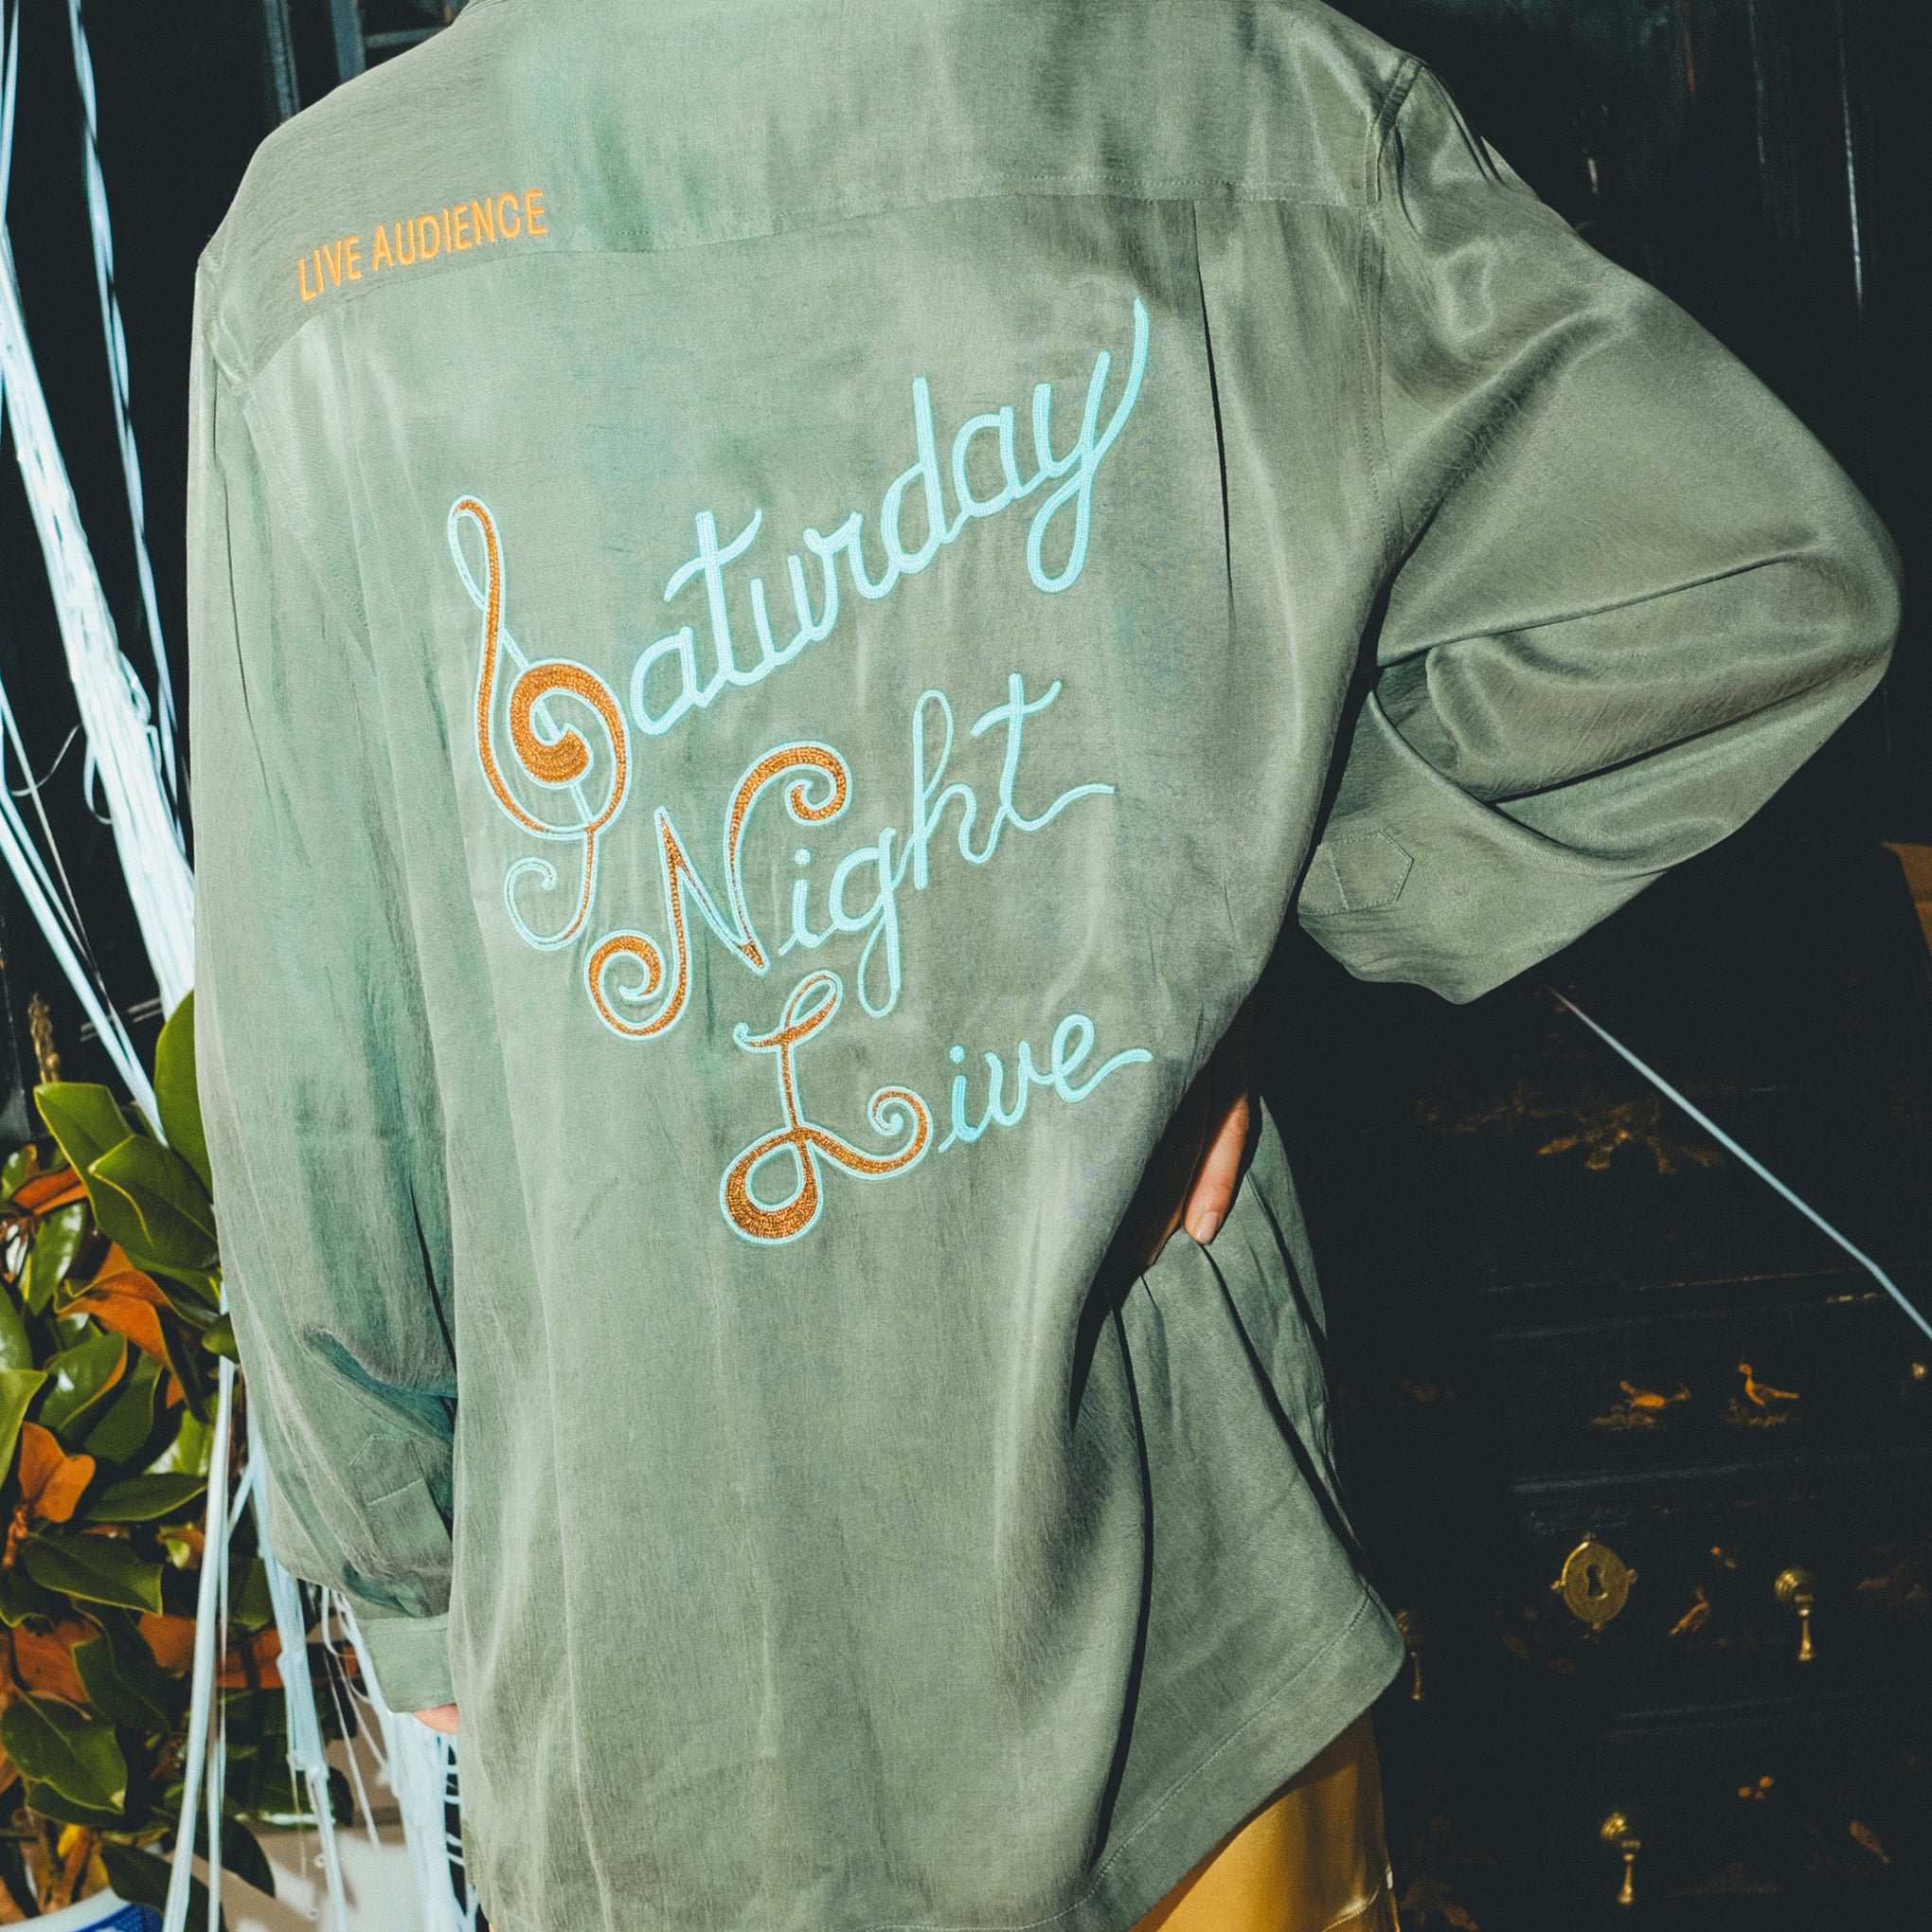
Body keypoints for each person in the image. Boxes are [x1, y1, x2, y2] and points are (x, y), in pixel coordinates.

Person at [186, 3, 1898, 1927]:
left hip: (659, 1677)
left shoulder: (324, 254)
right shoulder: (1244, 95)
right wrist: (1242, 921)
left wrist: (408, 1567)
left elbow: (318, 1076)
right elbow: (1745, 587)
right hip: (1197, 1632)